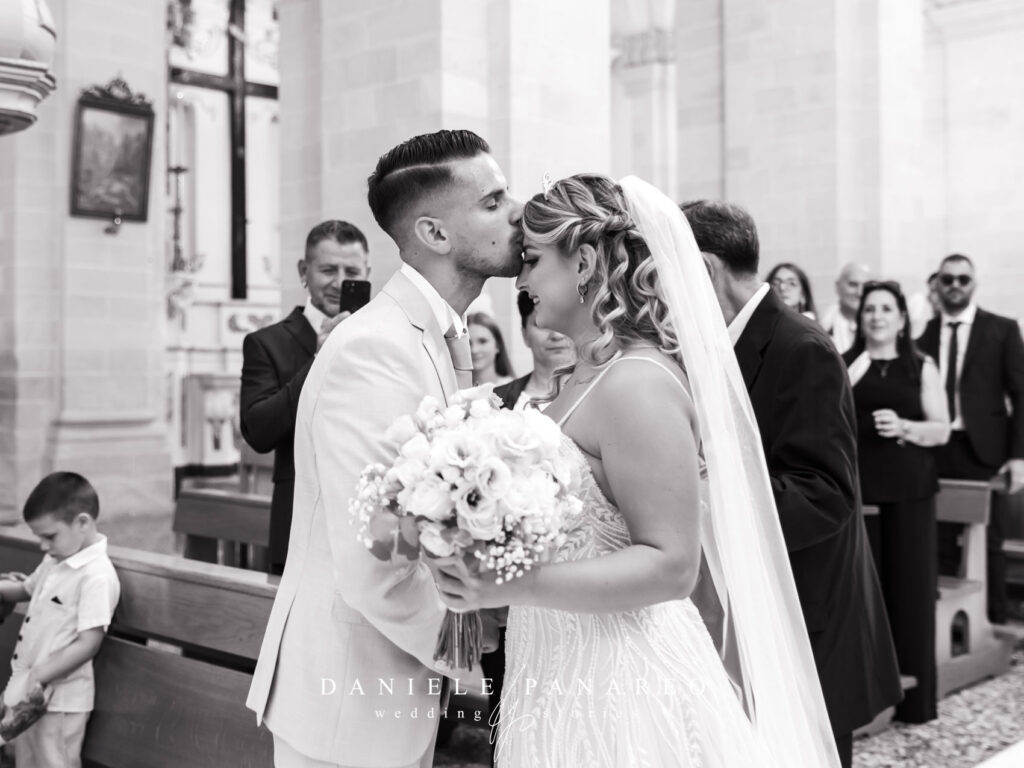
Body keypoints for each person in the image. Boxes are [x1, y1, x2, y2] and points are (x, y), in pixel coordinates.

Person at [435, 174, 842, 767]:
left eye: (533, 259)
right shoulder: (582, 378)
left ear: (584, 263)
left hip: (623, 681)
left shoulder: (637, 382)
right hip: (551, 663)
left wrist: (511, 586)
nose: (520, 281)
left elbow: (673, 565)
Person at [246, 129, 520, 768]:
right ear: (434, 233)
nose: (517, 213)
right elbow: (375, 554)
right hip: (349, 699)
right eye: (492, 202)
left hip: (386, 686)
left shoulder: (436, 335)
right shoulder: (376, 350)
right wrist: (479, 643)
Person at [681, 199, 901, 768]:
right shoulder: (721, 343)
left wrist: (705, 492)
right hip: (751, 612)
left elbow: (825, 493)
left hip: (805, 612)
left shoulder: (801, 347)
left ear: (704, 269)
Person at [842, 280, 950, 723]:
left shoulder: (920, 366)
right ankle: (868, 700)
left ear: (902, 319)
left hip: (910, 492)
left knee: (911, 592)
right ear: (860, 317)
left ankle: (916, 703)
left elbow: (941, 429)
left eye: (887, 308)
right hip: (860, 493)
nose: (877, 316)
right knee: (867, 595)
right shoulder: (845, 363)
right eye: (870, 309)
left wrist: (905, 426)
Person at [240, 220, 370, 576]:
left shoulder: (381, 338)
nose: (339, 282)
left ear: (367, 274)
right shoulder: (266, 343)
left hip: (369, 524)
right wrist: (320, 360)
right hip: (299, 520)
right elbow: (259, 432)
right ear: (303, 271)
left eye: (351, 272)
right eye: (328, 270)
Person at [918, 253, 1024, 624]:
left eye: (963, 279)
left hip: (985, 449)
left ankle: (993, 620)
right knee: (940, 534)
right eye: (947, 279)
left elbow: (1021, 393)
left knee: (989, 540)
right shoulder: (922, 335)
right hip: (937, 447)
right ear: (937, 285)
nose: (955, 286)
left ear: (973, 283)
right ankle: (951, 626)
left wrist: (1019, 456)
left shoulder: (1002, 329)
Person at [0, 472, 120, 768]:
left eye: (49, 536)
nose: (43, 546)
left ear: (82, 523)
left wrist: (39, 676)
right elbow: (26, 589)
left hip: (62, 701)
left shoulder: (97, 575)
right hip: (30, 696)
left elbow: (88, 643)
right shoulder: (55, 559)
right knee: (26, 761)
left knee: (55, 761)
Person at [494, 291, 575, 410]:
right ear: (525, 334)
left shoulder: (597, 390)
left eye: (564, 322)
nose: (556, 335)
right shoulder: (497, 400)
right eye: (541, 324)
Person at [818, 262, 872, 354]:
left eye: (865, 287)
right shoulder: (821, 322)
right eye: (853, 284)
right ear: (838, 286)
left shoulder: (879, 324)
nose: (859, 293)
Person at [467, 312, 515, 386]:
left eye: (482, 341)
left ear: (497, 346)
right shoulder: (454, 390)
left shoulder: (513, 388)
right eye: (468, 343)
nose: (474, 350)